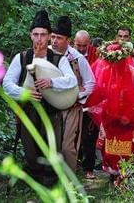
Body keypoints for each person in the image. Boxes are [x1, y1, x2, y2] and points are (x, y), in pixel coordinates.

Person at [3, 10, 78, 186]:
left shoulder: (59, 59)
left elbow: (72, 80)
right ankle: (36, 180)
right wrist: (25, 93)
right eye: (35, 34)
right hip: (28, 112)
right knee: (31, 151)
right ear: (30, 35)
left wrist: (52, 82)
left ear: (49, 36)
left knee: (53, 149)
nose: (39, 39)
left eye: (43, 35)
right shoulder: (22, 57)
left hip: (51, 112)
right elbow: (7, 84)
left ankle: (51, 183)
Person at [86, 41, 134, 185]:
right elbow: (97, 92)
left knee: (127, 149)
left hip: (129, 120)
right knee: (111, 150)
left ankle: (124, 178)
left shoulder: (133, 72)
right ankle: (114, 177)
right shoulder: (105, 71)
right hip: (111, 120)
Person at [50, 16, 96, 173]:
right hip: (49, 106)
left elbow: (90, 83)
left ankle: (70, 180)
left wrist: (77, 97)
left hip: (71, 108)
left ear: (67, 40)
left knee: (67, 146)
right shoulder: (45, 55)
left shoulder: (78, 58)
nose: (54, 41)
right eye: (53, 37)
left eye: (59, 38)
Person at [74, 30, 99, 179]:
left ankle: (89, 167)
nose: (82, 48)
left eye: (85, 45)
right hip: (73, 101)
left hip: (91, 102)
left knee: (90, 136)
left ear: (89, 43)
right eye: (79, 45)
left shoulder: (96, 54)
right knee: (73, 135)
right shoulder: (68, 54)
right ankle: (75, 163)